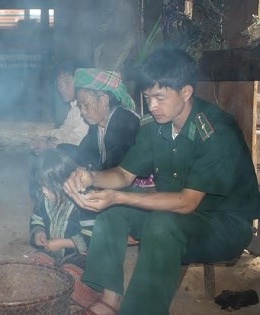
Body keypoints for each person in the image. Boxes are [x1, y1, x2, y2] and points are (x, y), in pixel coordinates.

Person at [64, 48, 260, 315]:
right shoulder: (155, 125)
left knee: (160, 224)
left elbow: (187, 202)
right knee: (113, 212)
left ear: (186, 92)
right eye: (148, 97)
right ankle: (109, 300)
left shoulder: (215, 131)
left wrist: (120, 196)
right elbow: (123, 174)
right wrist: (91, 176)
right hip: (176, 213)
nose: (152, 105)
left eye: (160, 97)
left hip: (224, 224)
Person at [28, 148, 96, 306]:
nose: (44, 192)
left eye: (48, 188)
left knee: (69, 274)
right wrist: (39, 232)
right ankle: (57, 277)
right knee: (33, 262)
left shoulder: (84, 202)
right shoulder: (44, 199)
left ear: (66, 184)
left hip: (79, 255)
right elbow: (36, 219)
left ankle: (88, 293)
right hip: (53, 253)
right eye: (41, 187)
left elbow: (91, 236)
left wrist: (64, 243)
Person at [70, 68, 140, 171]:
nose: (83, 111)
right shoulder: (97, 126)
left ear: (104, 100)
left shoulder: (125, 123)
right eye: (80, 106)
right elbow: (83, 153)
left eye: (86, 105)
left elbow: (114, 167)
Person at [32, 61, 89, 155]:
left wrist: (50, 145)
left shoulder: (85, 107)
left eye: (67, 82)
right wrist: (43, 134)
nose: (61, 89)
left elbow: (77, 140)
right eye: (59, 84)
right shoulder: (74, 107)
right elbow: (65, 129)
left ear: (80, 81)